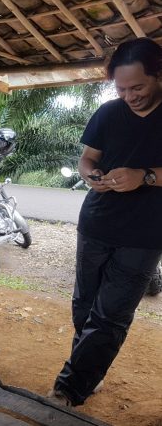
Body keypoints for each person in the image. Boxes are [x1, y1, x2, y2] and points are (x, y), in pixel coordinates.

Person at [50, 38, 162, 406]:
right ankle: (88, 371)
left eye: (137, 87)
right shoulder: (109, 113)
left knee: (111, 315)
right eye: (121, 89)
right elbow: (87, 159)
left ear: (158, 75)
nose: (129, 96)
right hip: (96, 224)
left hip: (145, 234)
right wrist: (90, 175)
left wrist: (145, 176)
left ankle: (69, 390)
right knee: (84, 306)